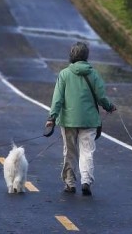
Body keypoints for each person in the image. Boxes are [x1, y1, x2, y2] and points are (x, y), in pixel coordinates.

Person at [45, 41, 116, 196]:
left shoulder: (64, 74)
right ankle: (86, 181)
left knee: (70, 152)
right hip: (89, 121)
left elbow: (57, 99)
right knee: (87, 152)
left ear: (72, 55)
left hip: (68, 120)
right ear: (86, 56)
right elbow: (101, 97)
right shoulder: (94, 74)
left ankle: (70, 183)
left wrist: (52, 117)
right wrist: (109, 107)